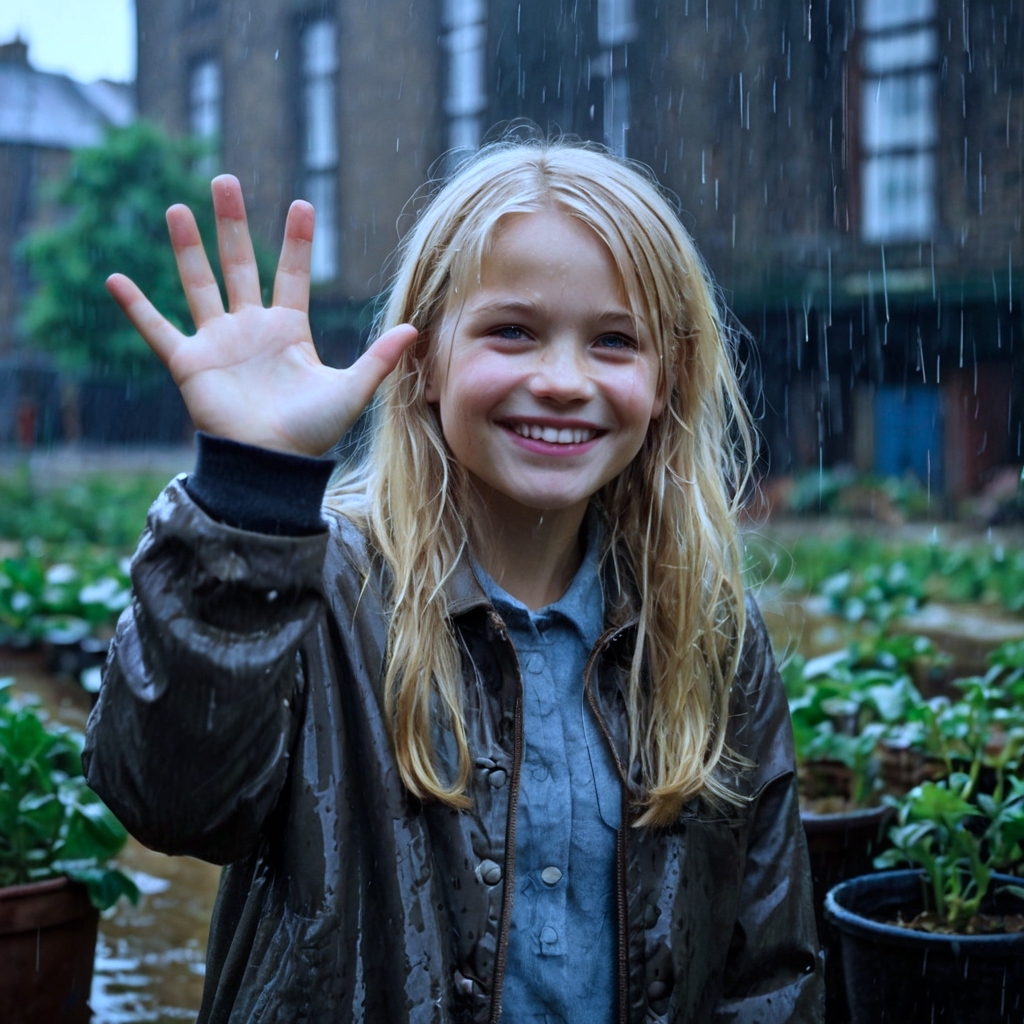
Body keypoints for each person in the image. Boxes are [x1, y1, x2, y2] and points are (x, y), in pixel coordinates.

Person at [83, 140, 823, 1023]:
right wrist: (245, 494)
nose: (561, 380)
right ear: (423, 360)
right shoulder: (314, 588)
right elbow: (171, 802)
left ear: (667, 380)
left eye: (614, 341)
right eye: (512, 331)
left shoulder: (707, 630)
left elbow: (768, 969)